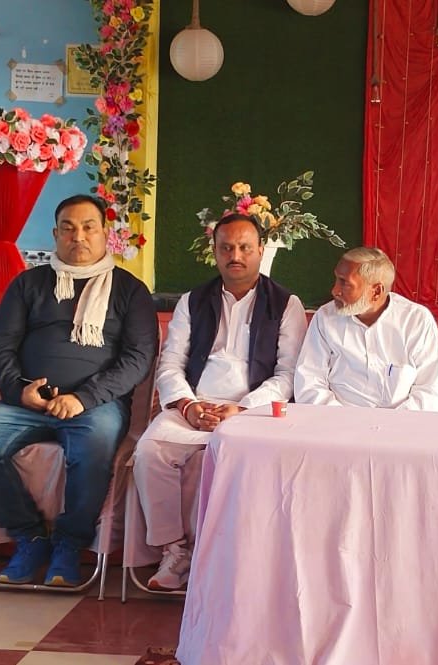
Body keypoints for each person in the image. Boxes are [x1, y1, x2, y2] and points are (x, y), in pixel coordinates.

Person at [0, 194, 158, 588]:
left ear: (105, 234)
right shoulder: (29, 283)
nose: (78, 236)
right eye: (68, 228)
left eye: (88, 227)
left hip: (95, 405)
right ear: (55, 234)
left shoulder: (130, 290)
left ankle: (69, 543)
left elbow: (138, 358)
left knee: (94, 447)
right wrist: (18, 390)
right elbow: (1, 345)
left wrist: (83, 398)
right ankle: (29, 536)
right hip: (28, 401)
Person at [133, 213, 307, 591]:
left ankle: (225, 559)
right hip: (195, 403)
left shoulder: (285, 304)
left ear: (261, 250)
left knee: (235, 459)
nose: (236, 256)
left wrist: (242, 409)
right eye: (226, 248)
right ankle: (175, 551)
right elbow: (171, 363)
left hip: (254, 410)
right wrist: (187, 405)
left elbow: (288, 374)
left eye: (245, 247)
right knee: (149, 451)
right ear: (214, 251)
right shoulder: (193, 301)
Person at [294, 246, 438, 411]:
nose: (335, 291)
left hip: (403, 423)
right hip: (336, 420)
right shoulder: (325, 317)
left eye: (345, 283)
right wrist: (343, 420)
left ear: (376, 291)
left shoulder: (416, 320)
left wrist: (393, 423)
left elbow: (428, 391)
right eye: (336, 279)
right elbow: (309, 382)